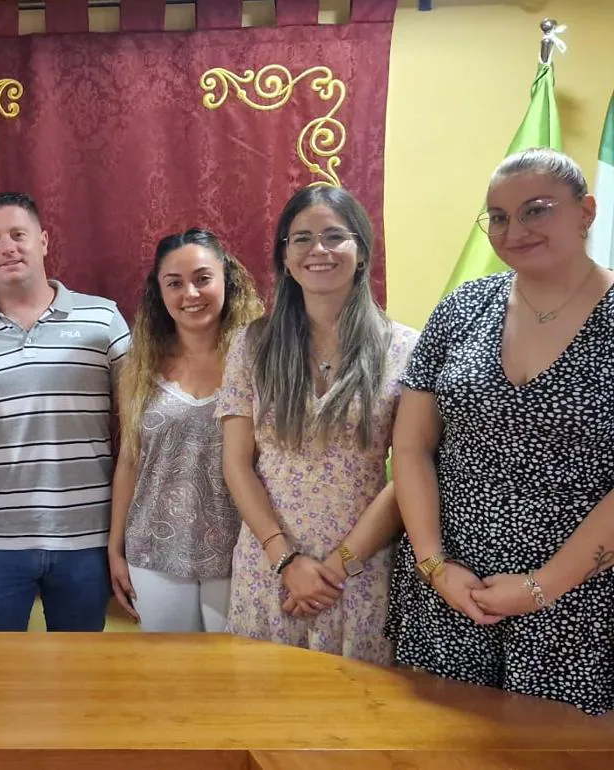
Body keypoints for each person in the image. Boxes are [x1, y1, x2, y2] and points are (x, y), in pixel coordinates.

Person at [386, 148, 614, 715]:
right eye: (499, 216)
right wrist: (436, 565)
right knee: (439, 745)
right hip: (451, 587)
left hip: (577, 600)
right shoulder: (461, 308)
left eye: (536, 210)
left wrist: (542, 585)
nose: (514, 230)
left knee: (551, 751)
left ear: (586, 211)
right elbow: (411, 446)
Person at [217, 185, 417, 664]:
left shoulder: (405, 349)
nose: (318, 250)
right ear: (285, 258)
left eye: (334, 236)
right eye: (301, 238)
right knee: (261, 716)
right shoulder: (253, 345)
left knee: (356, 723)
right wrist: (287, 560)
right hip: (269, 566)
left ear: (362, 251)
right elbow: (236, 464)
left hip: (359, 571)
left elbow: (408, 473)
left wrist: (333, 569)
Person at [0, 192, 131, 632]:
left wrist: (123, 539)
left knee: (81, 679)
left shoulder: (104, 320)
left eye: (18, 235)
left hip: (87, 538)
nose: (8, 247)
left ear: (43, 241)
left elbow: (141, 431)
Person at [108, 229, 263, 632]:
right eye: (174, 283)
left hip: (240, 546)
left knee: (234, 678)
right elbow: (129, 459)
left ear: (226, 280)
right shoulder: (138, 365)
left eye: (202, 278)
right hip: (155, 550)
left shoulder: (259, 360)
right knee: (169, 680)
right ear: (159, 293)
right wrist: (115, 547)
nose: (190, 293)